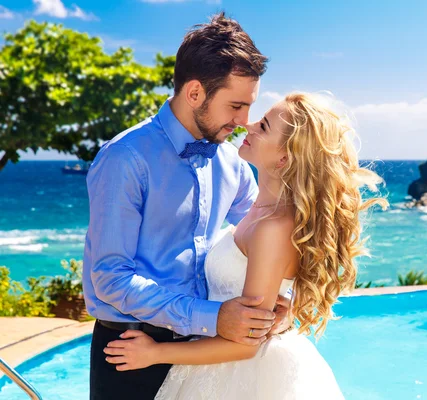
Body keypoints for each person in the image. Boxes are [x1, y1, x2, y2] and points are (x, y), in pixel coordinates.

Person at [103, 92, 389, 399]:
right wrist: (285, 305)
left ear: (284, 158)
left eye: (264, 126)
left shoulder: (272, 228)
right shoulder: (259, 208)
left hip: (245, 375)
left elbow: (245, 346)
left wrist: (156, 353)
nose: (249, 125)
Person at [83, 13, 292, 400]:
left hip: (206, 355)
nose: (245, 121)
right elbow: (110, 279)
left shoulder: (231, 163)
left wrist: (278, 302)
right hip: (129, 352)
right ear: (195, 93)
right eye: (235, 106)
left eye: (249, 106)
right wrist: (214, 317)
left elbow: (264, 235)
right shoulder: (125, 158)